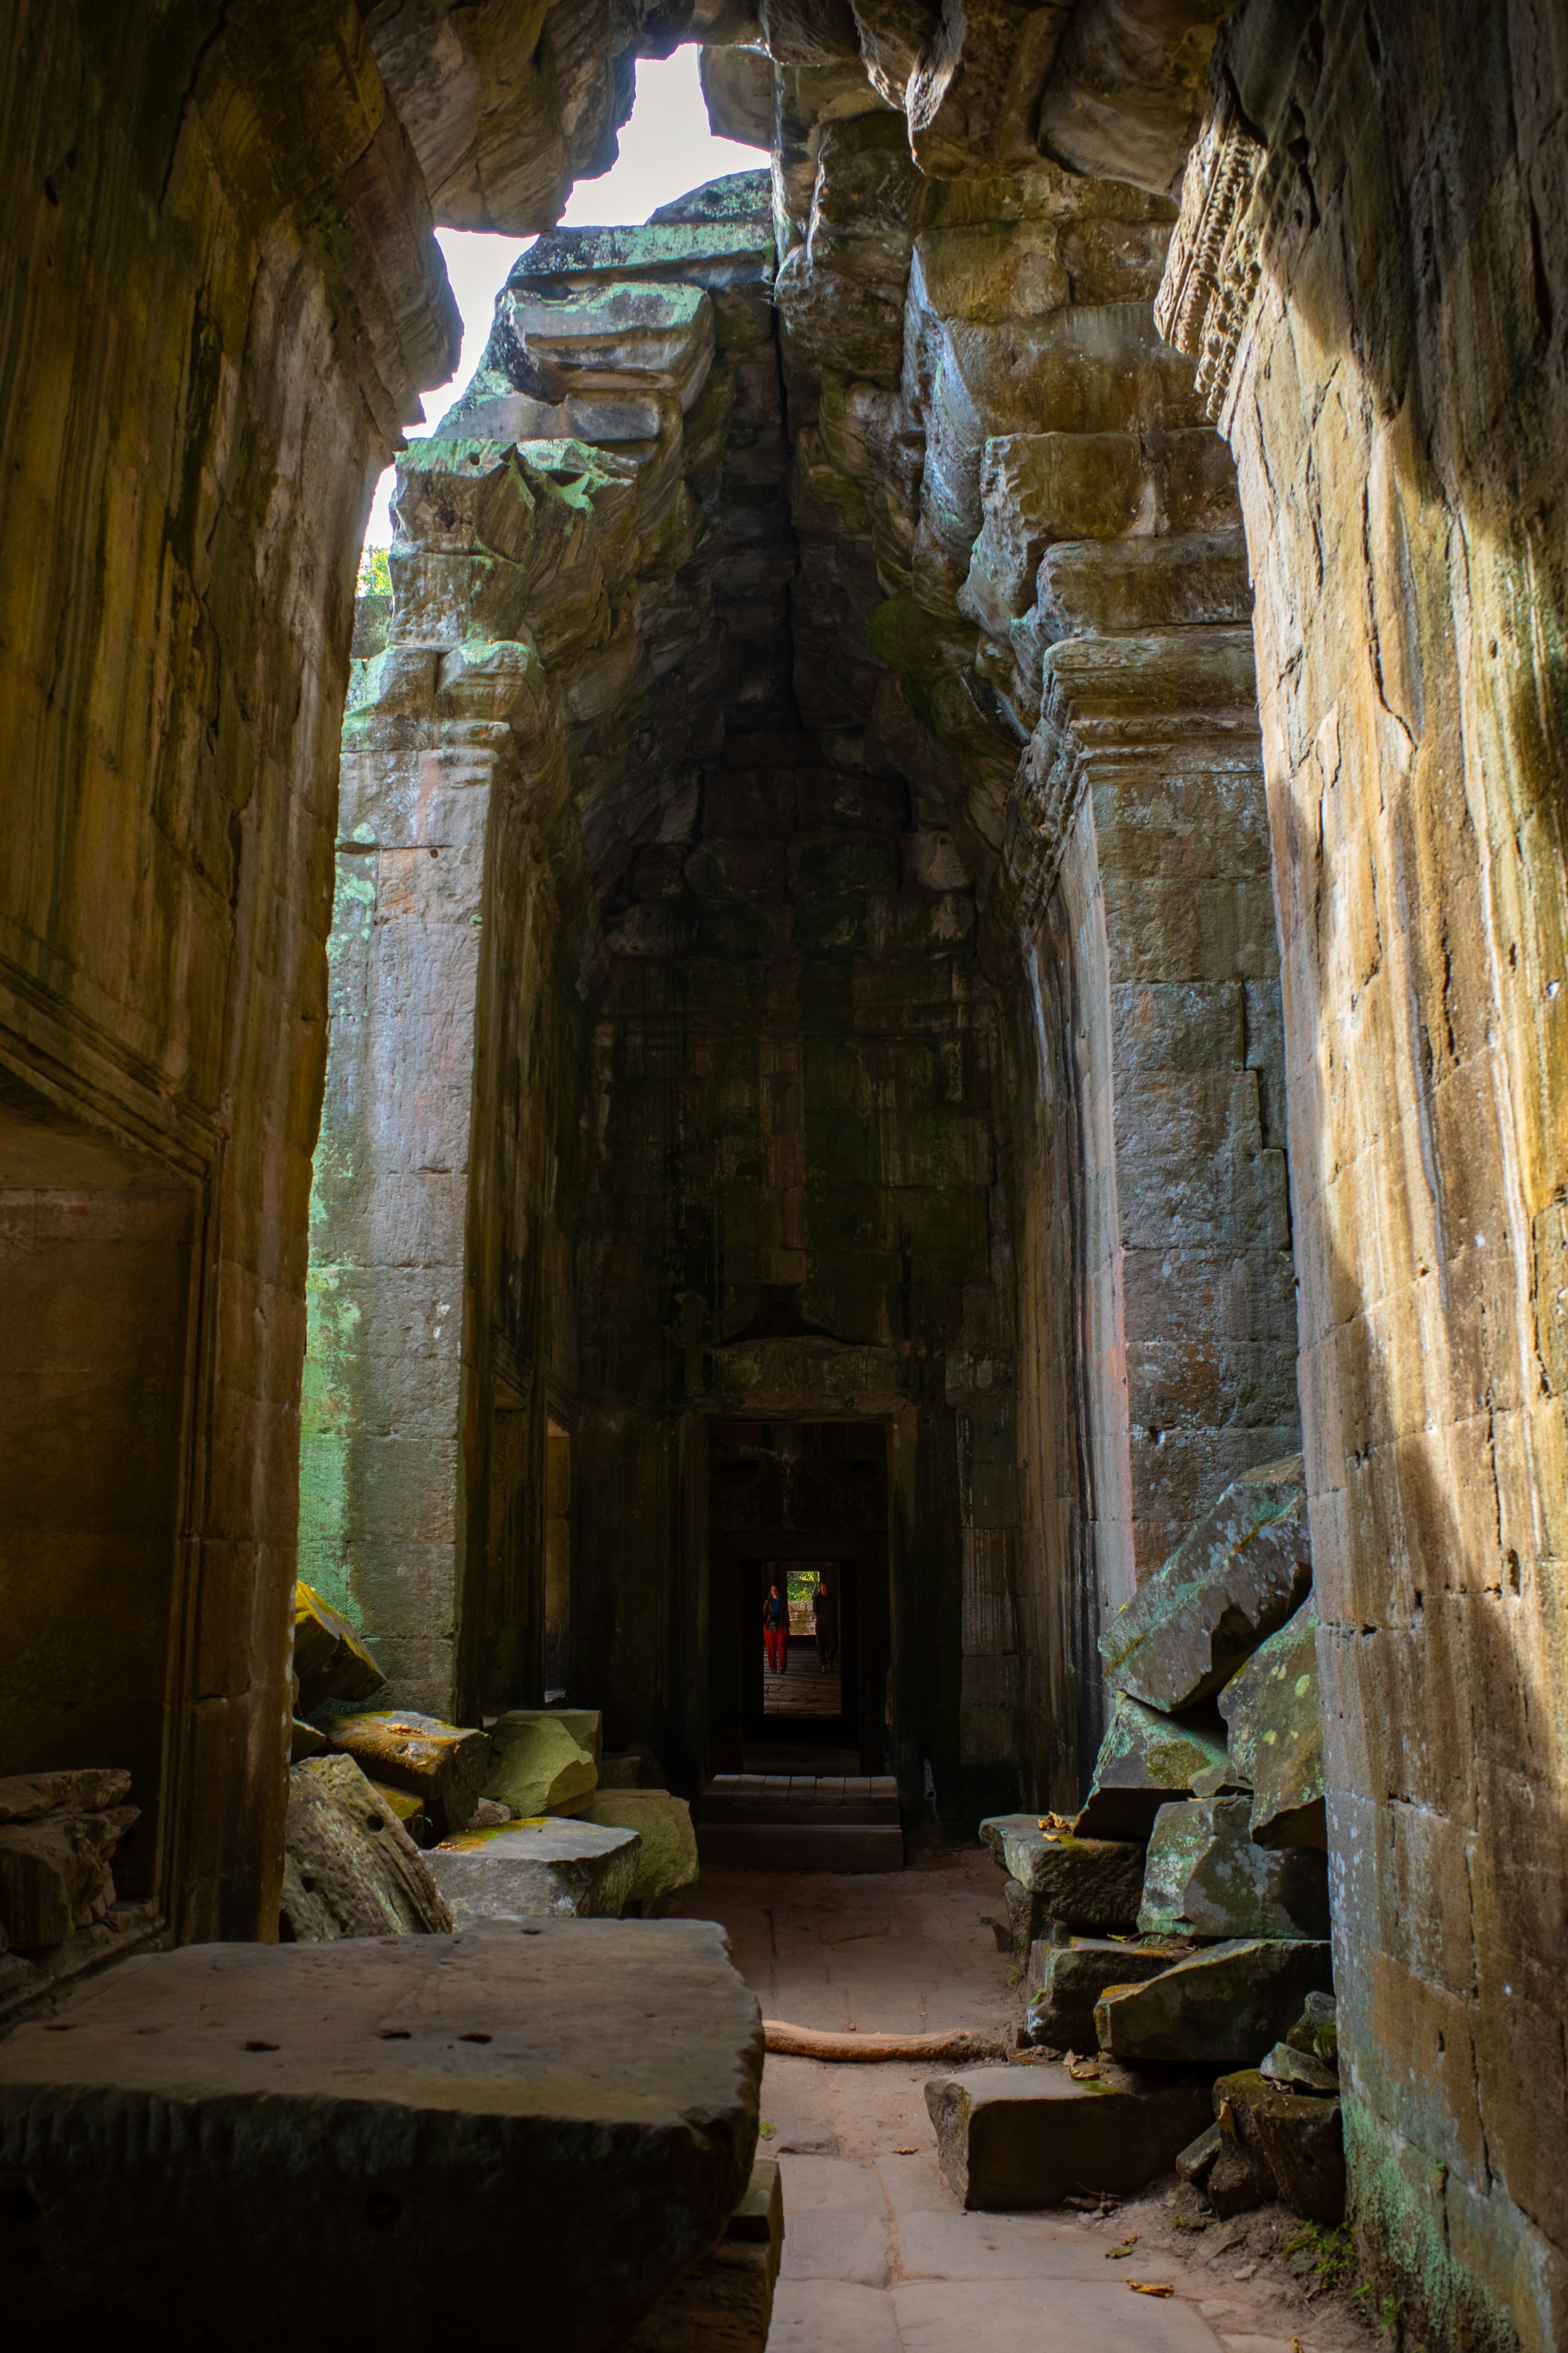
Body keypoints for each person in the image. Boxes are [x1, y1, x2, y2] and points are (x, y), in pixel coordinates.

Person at [813, 1568, 839, 1673]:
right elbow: (815, 1611)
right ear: (821, 1589)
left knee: (833, 1645)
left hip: (831, 1624)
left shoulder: (833, 1599)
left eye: (826, 1588)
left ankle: (830, 1662)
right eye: (823, 1588)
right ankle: (823, 1665)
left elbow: (835, 1611)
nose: (825, 1590)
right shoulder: (818, 1599)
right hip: (821, 1624)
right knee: (821, 1645)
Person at [762, 1578, 788, 1674]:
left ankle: (783, 1666)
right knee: (771, 1648)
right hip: (771, 1626)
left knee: (782, 1646)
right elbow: (765, 1614)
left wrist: (787, 1625)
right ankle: (773, 1667)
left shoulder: (783, 1601)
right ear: (771, 1591)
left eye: (776, 1589)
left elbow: (786, 1614)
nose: (774, 1591)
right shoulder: (768, 1602)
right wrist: (765, 1625)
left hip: (781, 1626)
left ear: (778, 1591)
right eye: (773, 1590)